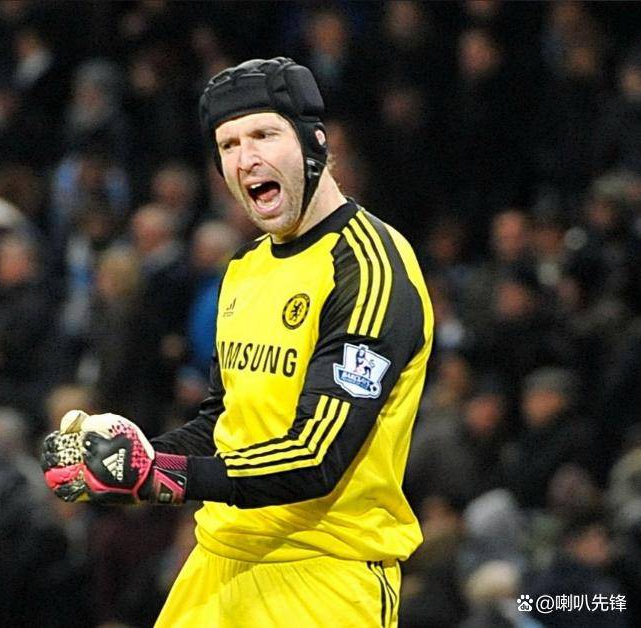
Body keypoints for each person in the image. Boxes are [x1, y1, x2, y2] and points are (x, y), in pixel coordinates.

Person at [41, 57, 433, 627]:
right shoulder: (245, 268)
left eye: (264, 135)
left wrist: (161, 475)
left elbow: (317, 456)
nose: (245, 158)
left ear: (315, 143)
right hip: (217, 560)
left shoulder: (369, 267)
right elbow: (221, 423)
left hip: (322, 578)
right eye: (228, 145)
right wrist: (122, 466)